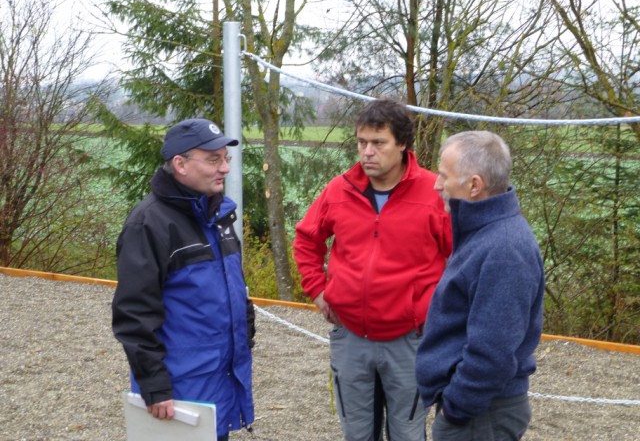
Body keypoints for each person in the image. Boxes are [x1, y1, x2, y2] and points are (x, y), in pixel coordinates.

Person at [293, 99, 452, 441]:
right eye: (362, 142)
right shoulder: (339, 189)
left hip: (410, 338)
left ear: (402, 143)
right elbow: (306, 239)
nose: (367, 152)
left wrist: (436, 311)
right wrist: (317, 290)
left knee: (407, 434)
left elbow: (462, 258)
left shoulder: (434, 193)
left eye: (378, 143)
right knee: (357, 434)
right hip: (350, 335)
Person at [112, 118, 254, 441]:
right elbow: (134, 314)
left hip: (220, 378)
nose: (225, 169)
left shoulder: (218, 215)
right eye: (213, 160)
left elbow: (233, 287)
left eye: (226, 159)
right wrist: (154, 385)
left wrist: (245, 336)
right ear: (180, 164)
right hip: (179, 388)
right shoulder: (148, 224)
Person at [415, 131, 545, 441]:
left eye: (444, 176)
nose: (436, 184)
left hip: (480, 415)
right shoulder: (485, 232)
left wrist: (457, 408)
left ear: (474, 185)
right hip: (478, 411)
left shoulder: (503, 249)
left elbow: (492, 352)